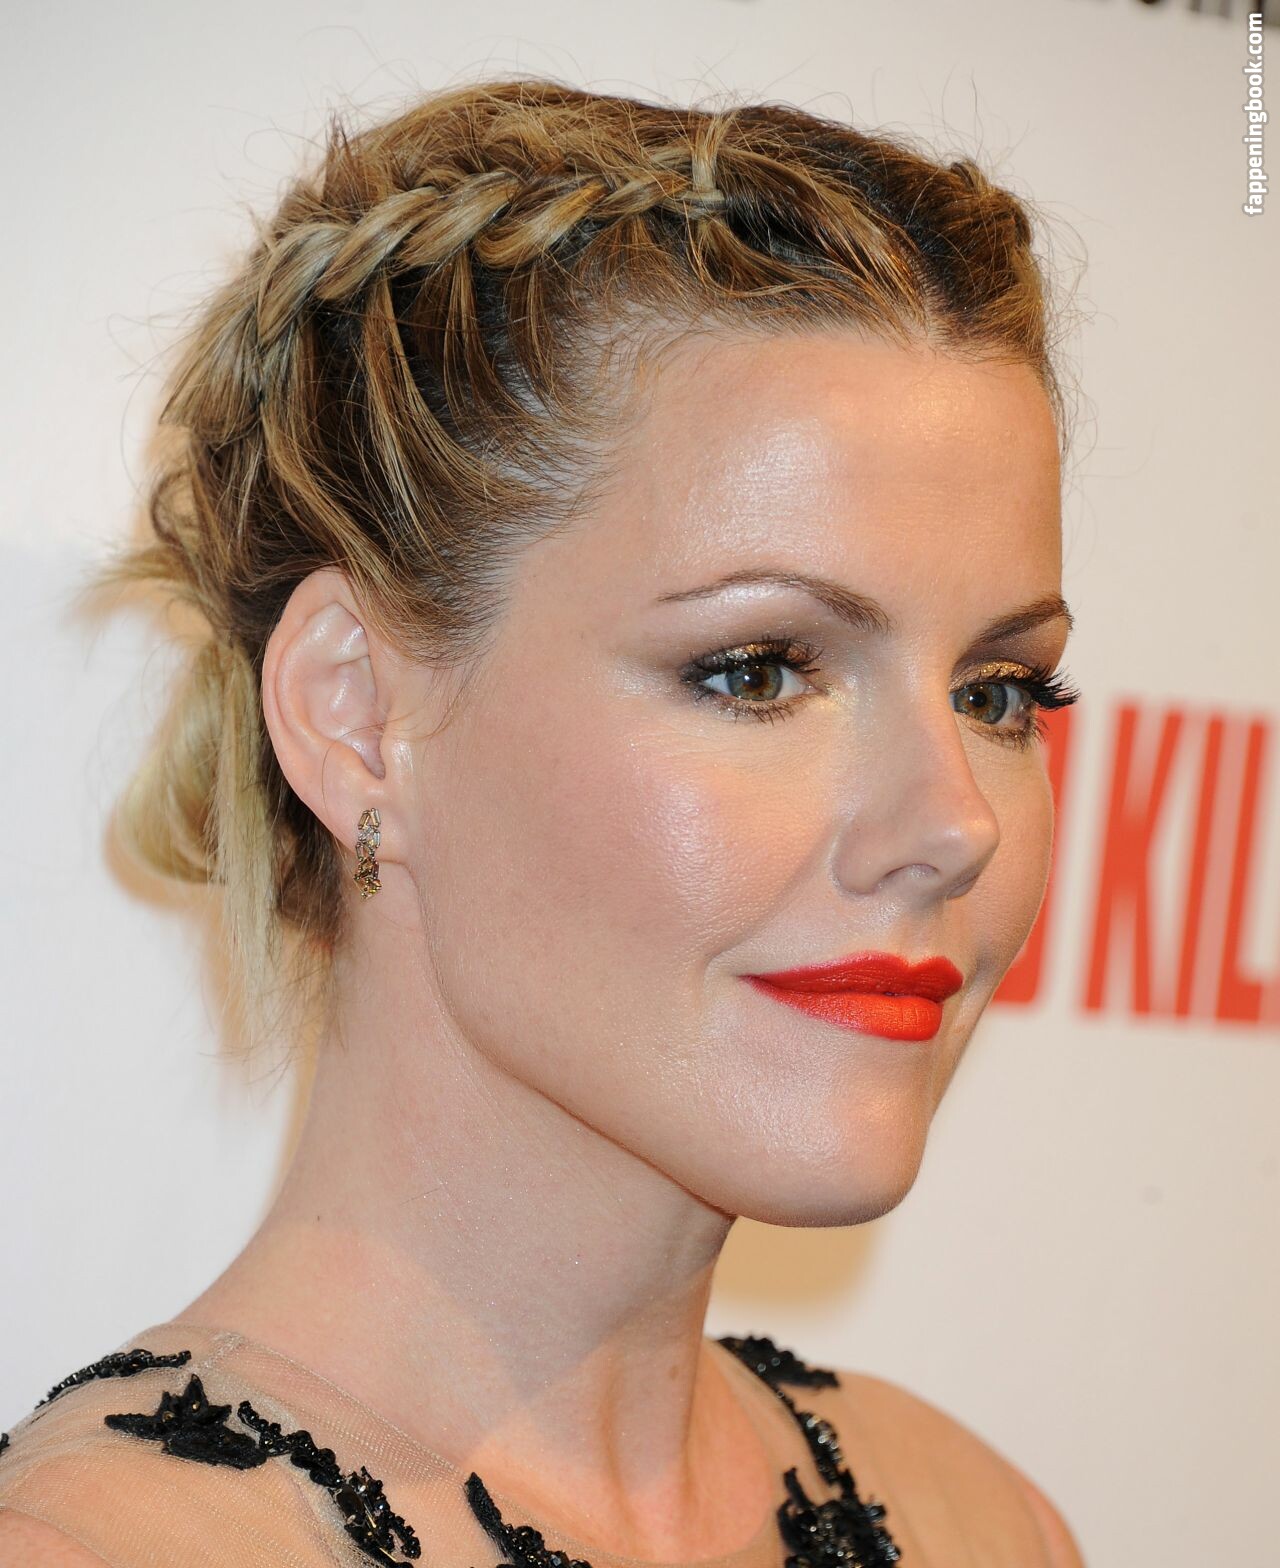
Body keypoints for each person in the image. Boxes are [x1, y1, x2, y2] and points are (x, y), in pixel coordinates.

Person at [0, 75, 1087, 1566]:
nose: (955, 824)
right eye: (757, 670)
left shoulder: (986, 1528)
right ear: (356, 714)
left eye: (999, 693)